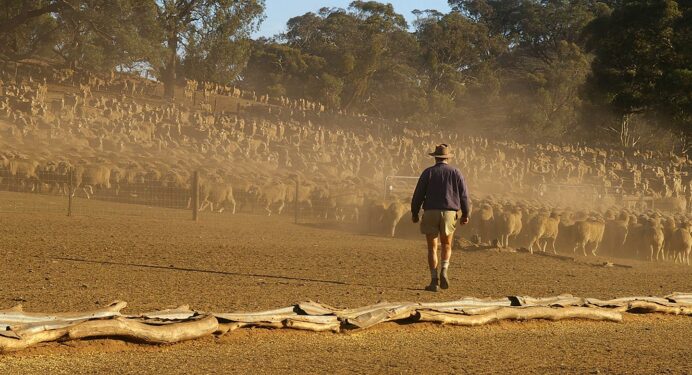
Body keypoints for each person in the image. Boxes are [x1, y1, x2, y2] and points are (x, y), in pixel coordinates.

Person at [411, 144, 470, 292]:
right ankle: (444, 269)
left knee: (432, 248)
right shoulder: (456, 172)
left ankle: (434, 280)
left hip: (430, 211)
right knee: (446, 245)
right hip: (450, 212)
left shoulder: (428, 172)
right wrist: (466, 214)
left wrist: (414, 212)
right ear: (448, 158)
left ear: (435, 157)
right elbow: (464, 195)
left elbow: (418, 194)